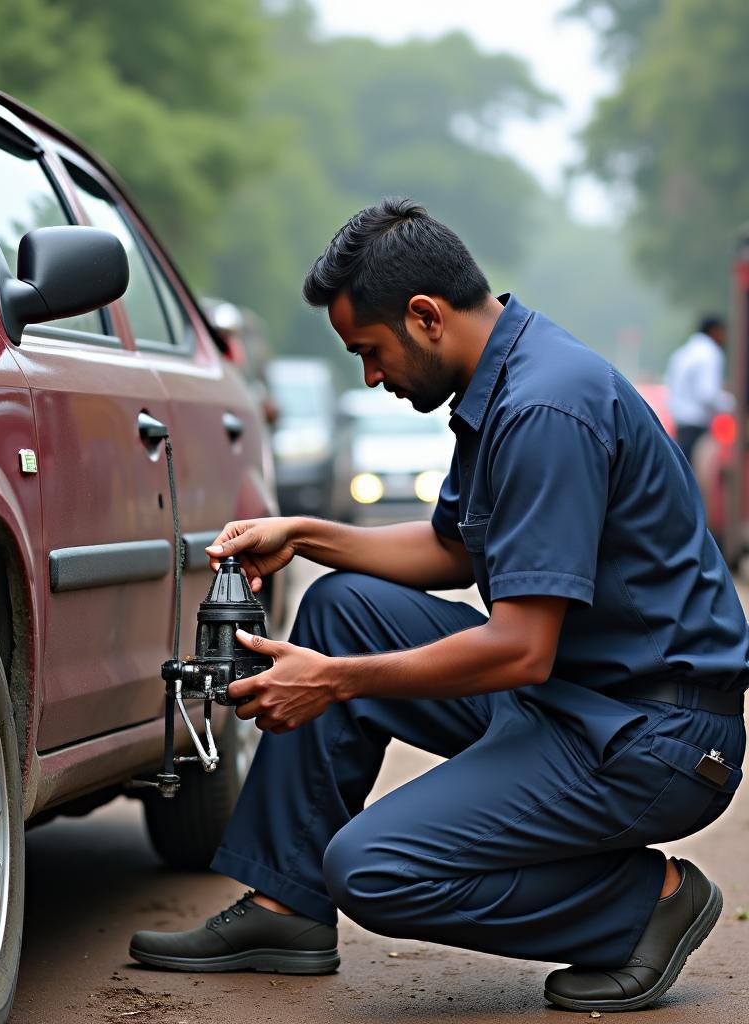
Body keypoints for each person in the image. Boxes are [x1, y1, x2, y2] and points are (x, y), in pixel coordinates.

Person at [128, 199, 747, 1013]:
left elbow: (520, 647)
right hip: (573, 696)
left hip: (651, 736)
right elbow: (456, 549)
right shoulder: (504, 377)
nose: (371, 377)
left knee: (373, 869)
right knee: (342, 606)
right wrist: (308, 535)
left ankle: (645, 908)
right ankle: (284, 909)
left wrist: (337, 682)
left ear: (425, 316)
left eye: (370, 352)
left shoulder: (542, 408)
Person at [664, 315, 733, 463]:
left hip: (680, 421)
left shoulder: (683, 352)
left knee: (683, 468)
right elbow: (707, 394)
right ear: (714, 331)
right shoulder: (710, 353)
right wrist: (732, 404)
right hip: (698, 424)